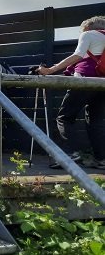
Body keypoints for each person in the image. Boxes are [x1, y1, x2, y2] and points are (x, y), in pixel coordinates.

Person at [38, 16, 105, 169]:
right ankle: (102, 159)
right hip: (102, 83)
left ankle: (70, 155)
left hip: (84, 80)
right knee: (96, 122)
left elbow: (77, 56)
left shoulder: (88, 34)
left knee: (64, 117)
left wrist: (50, 70)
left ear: (87, 27)